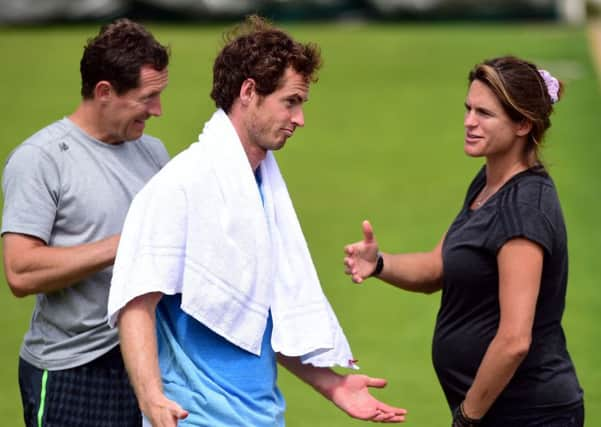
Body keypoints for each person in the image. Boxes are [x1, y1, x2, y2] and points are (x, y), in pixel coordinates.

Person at [107, 15, 407, 427]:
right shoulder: (179, 187)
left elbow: (252, 318)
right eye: (290, 101)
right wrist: (151, 399)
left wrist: (334, 385)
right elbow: (135, 302)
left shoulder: (260, 190)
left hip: (262, 417)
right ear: (249, 91)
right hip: (192, 419)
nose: (299, 118)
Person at [344, 56, 584, 426]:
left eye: (485, 114)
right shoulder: (489, 184)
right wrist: (379, 264)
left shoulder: (524, 211)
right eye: (468, 108)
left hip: (527, 414)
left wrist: (468, 417)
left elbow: (515, 339)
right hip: (496, 411)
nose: (469, 122)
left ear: (523, 123)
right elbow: (439, 265)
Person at [1, 19, 170, 427]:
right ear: (104, 92)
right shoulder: (41, 159)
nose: (158, 111)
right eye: (147, 98)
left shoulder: (153, 153)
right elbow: (20, 272)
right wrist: (124, 243)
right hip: (71, 373)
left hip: (149, 362)